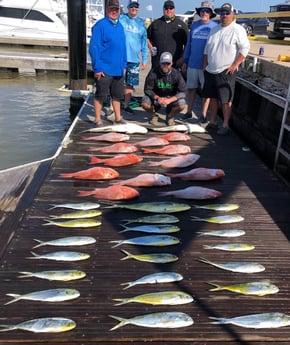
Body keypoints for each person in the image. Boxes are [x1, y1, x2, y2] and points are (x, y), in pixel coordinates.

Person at [203, 2, 250, 135]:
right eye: (222, 13)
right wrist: (205, 65)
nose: (224, 15)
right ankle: (212, 121)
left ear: (232, 14)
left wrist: (235, 65)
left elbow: (245, 48)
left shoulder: (238, 29)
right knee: (212, 98)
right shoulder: (214, 29)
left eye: (227, 13)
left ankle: (225, 124)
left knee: (226, 100)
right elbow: (207, 49)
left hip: (226, 71)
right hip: (211, 70)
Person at [89, 0, 127, 126]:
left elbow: (122, 47)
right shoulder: (100, 25)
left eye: (116, 9)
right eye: (112, 9)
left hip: (118, 69)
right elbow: (94, 48)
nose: (114, 12)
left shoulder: (120, 26)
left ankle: (118, 117)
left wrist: (124, 65)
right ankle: (98, 119)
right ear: (106, 10)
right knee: (101, 95)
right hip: (104, 68)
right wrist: (97, 68)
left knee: (117, 95)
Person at [182, 1, 217, 123]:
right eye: (202, 11)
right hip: (192, 63)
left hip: (206, 66)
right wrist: (185, 60)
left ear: (211, 13)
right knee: (191, 89)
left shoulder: (214, 27)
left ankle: (203, 114)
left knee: (205, 92)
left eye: (207, 11)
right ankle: (188, 112)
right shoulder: (195, 25)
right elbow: (189, 44)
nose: (204, 13)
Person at [141, 52, 186, 126]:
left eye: (167, 63)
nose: (165, 65)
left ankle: (170, 116)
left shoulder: (177, 74)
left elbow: (183, 92)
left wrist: (170, 100)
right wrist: (157, 97)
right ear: (160, 63)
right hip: (157, 98)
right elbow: (147, 89)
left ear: (171, 63)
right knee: (144, 103)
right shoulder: (153, 72)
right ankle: (154, 115)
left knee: (182, 104)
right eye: (163, 63)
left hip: (171, 98)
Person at [119, 0, 148, 114]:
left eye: (136, 6)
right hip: (120, 58)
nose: (134, 8)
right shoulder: (121, 18)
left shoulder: (141, 23)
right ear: (128, 7)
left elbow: (144, 43)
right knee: (117, 82)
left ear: (139, 8)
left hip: (134, 60)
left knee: (130, 84)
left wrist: (144, 60)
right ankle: (113, 106)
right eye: (132, 6)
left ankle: (126, 106)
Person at [147, 0, 188, 70]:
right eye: (166, 8)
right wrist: (151, 47)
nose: (168, 10)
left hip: (175, 64)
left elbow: (187, 44)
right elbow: (146, 37)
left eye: (171, 8)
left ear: (174, 9)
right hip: (157, 63)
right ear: (163, 9)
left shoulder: (182, 25)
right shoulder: (155, 24)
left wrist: (182, 58)